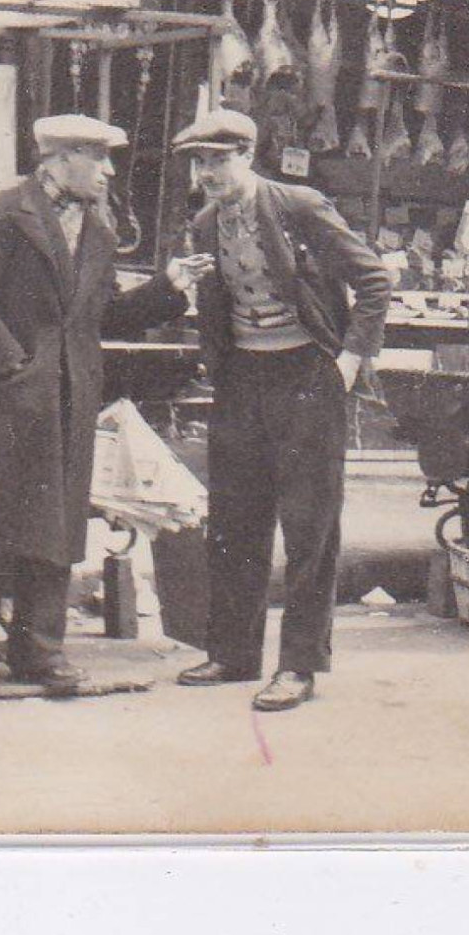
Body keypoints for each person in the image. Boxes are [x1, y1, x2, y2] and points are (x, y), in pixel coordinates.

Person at [0, 114, 215, 707]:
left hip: (69, 400)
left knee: (55, 527)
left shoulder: (100, 233)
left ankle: (40, 652)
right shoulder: (2, 210)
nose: (111, 172)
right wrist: (12, 365)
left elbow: (104, 315)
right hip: (5, 399)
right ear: (62, 159)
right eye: (101, 158)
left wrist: (168, 287)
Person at [170, 109, 392, 712]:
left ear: (247, 155)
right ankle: (234, 653)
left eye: (218, 159)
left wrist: (347, 362)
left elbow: (374, 280)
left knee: (308, 525)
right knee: (235, 519)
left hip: (306, 375)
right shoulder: (205, 224)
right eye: (199, 161)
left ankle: (298, 665)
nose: (208, 172)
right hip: (242, 378)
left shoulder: (298, 205)